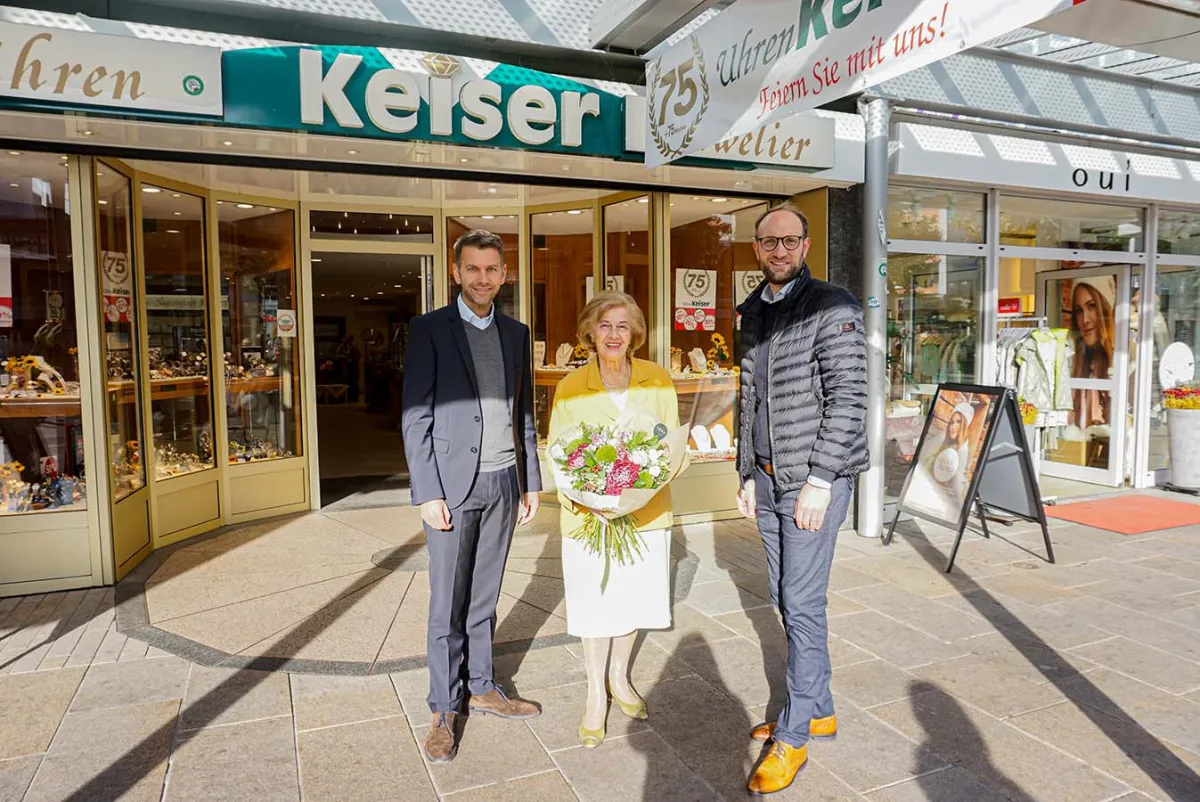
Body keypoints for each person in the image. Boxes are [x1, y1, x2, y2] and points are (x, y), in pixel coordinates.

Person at [734, 204, 868, 794]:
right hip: (765, 479)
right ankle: (819, 705)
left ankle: (793, 738)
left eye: (790, 240)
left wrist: (819, 479)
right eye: (769, 242)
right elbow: (749, 395)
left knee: (802, 605)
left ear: (807, 244)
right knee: (787, 603)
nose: (779, 250)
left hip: (811, 482)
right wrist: (744, 472)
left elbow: (849, 397)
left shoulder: (832, 306)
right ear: (756, 248)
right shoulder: (753, 311)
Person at [401, 229, 543, 764]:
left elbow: (522, 410)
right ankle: (443, 705)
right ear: (456, 273)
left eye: (492, 269)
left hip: (504, 483)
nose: (482, 278)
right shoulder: (430, 329)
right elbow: (415, 415)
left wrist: (530, 479)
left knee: (484, 596)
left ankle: (481, 685)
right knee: (447, 604)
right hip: (452, 491)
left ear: (503, 274)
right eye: (473, 269)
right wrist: (426, 491)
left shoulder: (517, 332)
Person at [547, 291, 681, 749]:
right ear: (590, 331)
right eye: (605, 326)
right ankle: (593, 697)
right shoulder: (570, 387)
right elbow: (559, 455)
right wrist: (592, 500)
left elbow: (668, 452)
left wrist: (634, 493)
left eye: (623, 326)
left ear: (635, 334)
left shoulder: (658, 380)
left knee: (632, 603)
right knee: (594, 607)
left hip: (645, 516)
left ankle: (620, 680)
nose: (613, 334)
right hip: (588, 520)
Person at [1069, 277, 1115, 428]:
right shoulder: (1074, 359)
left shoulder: (1126, 357)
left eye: (1092, 306)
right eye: (1079, 311)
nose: (1085, 320)